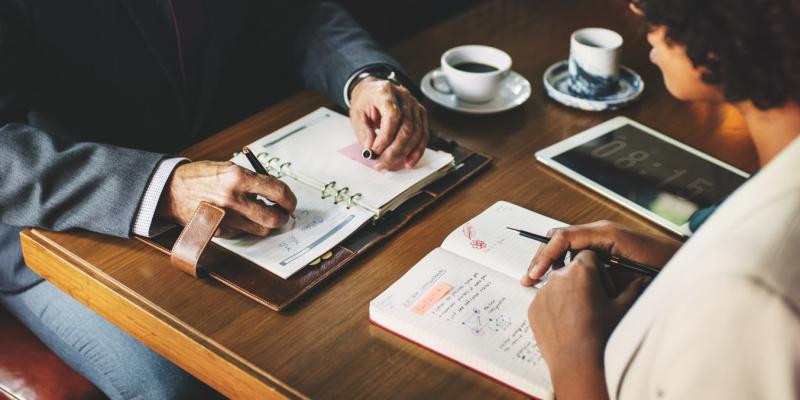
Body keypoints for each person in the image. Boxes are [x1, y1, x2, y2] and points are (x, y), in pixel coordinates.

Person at [0, 0, 429, 398]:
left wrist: (363, 77)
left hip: (222, 168)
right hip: (55, 223)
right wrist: (166, 187)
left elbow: (297, 14)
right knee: (181, 380)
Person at [522, 0, 800, 398]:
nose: (637, 10)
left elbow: (755, 294)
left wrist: (572, 354)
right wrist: (681, 262)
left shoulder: (754, 294)